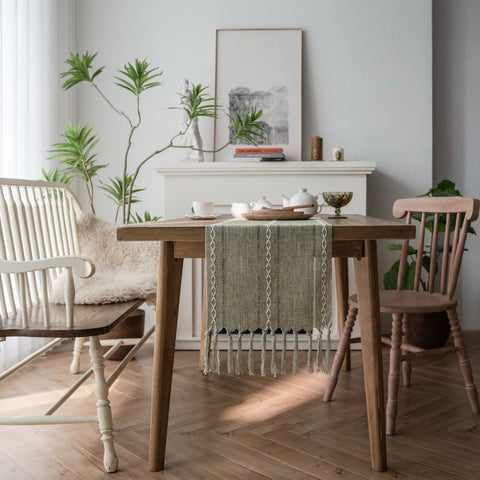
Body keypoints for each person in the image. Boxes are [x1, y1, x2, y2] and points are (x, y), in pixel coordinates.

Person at [178, 79, 204, 161]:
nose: (187, 86)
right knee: (186, 133)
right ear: (182, 85)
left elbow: (195, 102)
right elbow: (179, 103)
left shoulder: (191, 93)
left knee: (193, 131)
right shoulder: (179, 94)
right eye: (185, 84)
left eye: (187, 84)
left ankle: (197, 152)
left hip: (191, 114)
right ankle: (190, 152)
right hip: (183, 115)